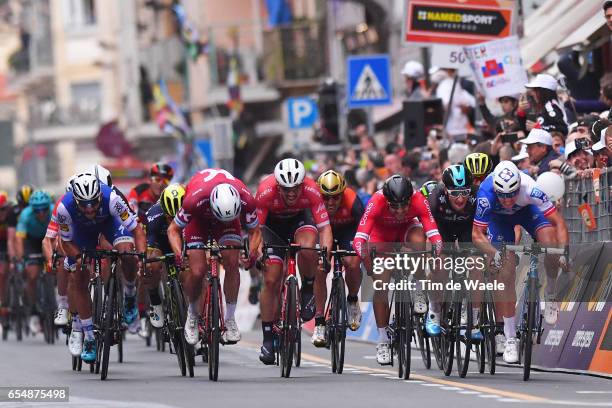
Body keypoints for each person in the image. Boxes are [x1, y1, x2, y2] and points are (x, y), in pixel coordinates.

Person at [472, 161, 568, 363]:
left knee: (550, 245)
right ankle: (510, 337)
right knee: (504, 273)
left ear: (519, 187)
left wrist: (563, 252)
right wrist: (493, 252)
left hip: (528, 211)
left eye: (512, 194)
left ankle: (551, 292)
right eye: (503, 195)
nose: (507, 200)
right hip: (499, 221)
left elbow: (558, 222)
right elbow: (476, 234)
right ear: (496, 190)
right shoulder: (486, 195)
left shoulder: (531, 189)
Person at [56, 173, 146, 362]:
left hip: (109, 224)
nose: (89, 210)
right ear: (76, 200)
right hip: (81, 233)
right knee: (78, 275)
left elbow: (136, 229)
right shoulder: (65, 208)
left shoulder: (112, 199)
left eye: (93, 204)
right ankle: (88, 337)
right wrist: (79, 257)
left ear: (99, 197)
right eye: (84, 205)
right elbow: (66, 243)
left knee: (128, 254)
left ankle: (129, 295)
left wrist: (142, 256)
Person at [354, 174, 442, 365]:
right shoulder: (376, 201)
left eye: (405, 205)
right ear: (387, 201)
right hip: (382, 236)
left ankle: (419, 286)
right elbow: (359, 239)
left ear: (411, 198)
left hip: (406, 231)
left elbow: (434, 235)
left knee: (419, 242)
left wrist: (434, 256)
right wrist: (368, 262)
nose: (401, 210)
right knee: (380, 285)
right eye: (395, 206)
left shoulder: (419, 198)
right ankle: (383, 340)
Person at [167, 169, 261, 347]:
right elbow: (173, 230)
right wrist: (179, 254)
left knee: (232, 262)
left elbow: (255, 231)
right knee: (197, 270)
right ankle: (193, 315)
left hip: (229, 219)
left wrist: (252, 252)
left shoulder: (245, 198)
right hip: (198, 220)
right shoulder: (194, 200)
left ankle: (230, 319)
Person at [255, 158, 333, 365]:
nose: (291, 194)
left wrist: (325, 255)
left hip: (300, 222)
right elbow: (256, 231)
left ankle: (307, 287)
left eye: (295, 189)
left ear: (302, 184)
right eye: (286, 189)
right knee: (271, 280)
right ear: (277, 185)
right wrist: (258, 252)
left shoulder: (312, 190)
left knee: (309, 248)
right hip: (272, 229)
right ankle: (268, 339)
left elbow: (325, 228)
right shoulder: (264, 191)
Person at [425, 165, 482, 340]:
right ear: (445, 189)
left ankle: (474, 316)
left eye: (464, 192)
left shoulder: (478, 195)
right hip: (442, 230)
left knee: (476, 265)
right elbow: (426, 230)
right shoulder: (435, 198)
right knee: (439, 265)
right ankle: (434, 311)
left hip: (468, 229)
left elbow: (486, 226)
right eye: (454, 193)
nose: (460, 198)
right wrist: (430, 255)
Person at [314, 170, 364, 345]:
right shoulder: (313, 201)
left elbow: (364, 230)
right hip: (323, 231)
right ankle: (319, 322)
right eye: (325, 197)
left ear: (343, 194)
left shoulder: (353, 202)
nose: (330, 202)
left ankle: (351, 299)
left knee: (352, 263)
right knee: (319, 268)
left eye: (335, 197)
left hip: (347, 232)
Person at [128, 162, 173, 334]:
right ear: (150, 179)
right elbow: (130, 213)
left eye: (166, 180)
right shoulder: (138, 192)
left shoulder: (170, 195)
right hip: (142, 231)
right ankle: (142, 311)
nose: (160, 183)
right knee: (144, 268)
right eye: (156, 178)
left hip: (164, 231)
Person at [144, 184, 186, 331]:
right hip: (159, 242)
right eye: (169, 218)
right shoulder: (153, 215)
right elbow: (148, 248)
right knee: (151, 266)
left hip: (183, 241)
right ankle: (156, 303)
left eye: (177, 218)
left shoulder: (190, 211)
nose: (173, 222)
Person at [15, 190, 54, 334]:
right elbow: (19, 239)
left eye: (44, 209)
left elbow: (61, 234)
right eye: (37, 210)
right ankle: (33, 309)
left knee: (57, 266)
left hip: (49, 237)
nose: (41, 213)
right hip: (31, 241)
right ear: (32, 209)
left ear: (48, 207)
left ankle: (54, 296)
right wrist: (21, 258)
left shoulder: (54, 210)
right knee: (32, 275)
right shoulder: (25, 215)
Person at [0, 192, 12, 323]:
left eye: (2, 209)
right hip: (1, 245)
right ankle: (4, 303)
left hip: (12, 241)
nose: (1, 213)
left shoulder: (12, 213)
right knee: (2, 273)